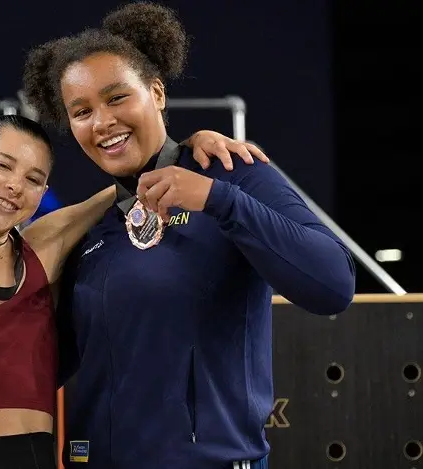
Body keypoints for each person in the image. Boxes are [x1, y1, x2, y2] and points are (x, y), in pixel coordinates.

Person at [21, 2, 357, 469]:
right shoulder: (96, 226)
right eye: (81, 111)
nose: (102, 122)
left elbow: (333, 285)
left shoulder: (233, 176)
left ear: (156, 92)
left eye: (117, 97)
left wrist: (219, 199)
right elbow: (46, 365)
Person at [0, 115, 271, 469]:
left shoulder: (42, 248)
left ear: (43, 192)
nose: (14, 186)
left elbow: (129, 189)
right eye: (3, 166)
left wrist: (185, 149)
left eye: (33, 179)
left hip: (31, 456)